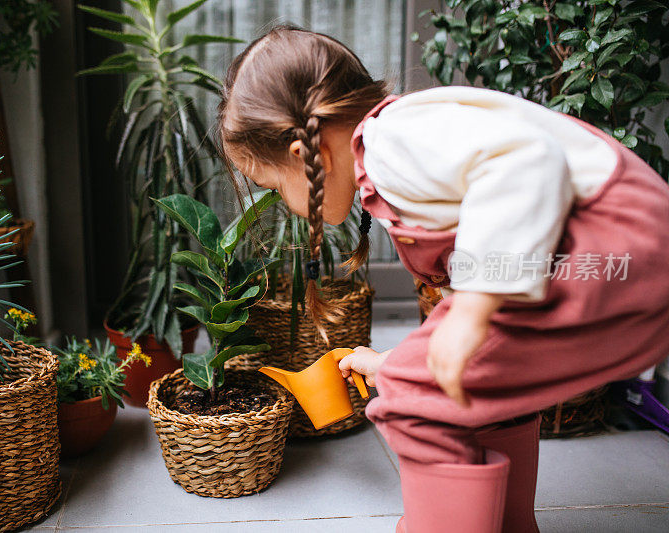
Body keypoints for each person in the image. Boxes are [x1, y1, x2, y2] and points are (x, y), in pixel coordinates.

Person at [217, 25, 669, 533]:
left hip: (610, 253)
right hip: (627, 263)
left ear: (303, 153)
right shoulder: (401, 152)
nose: (285, 203)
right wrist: (396, 362)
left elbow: (524, 160)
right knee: (461, 389)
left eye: (272, 185)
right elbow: (486, 309)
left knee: (414, 407)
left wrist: (471, 311)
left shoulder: (394, 139)